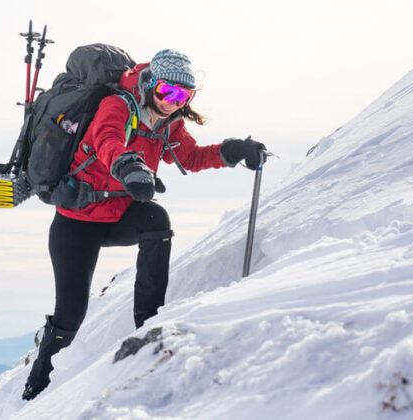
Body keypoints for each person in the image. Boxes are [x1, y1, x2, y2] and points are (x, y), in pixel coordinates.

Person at [21, 49, 266, 400]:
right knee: (70, 315)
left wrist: (235, 150)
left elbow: (192, 157)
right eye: (167, 91)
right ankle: (36, 387)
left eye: (184, 96)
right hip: (77, 221)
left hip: (119, 215)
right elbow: (107, 140)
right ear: (150, 83)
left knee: (156, 219)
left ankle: (148, 325)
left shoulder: (169, 122)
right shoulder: (118, 106)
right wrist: (128, 166)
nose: (173, 102)